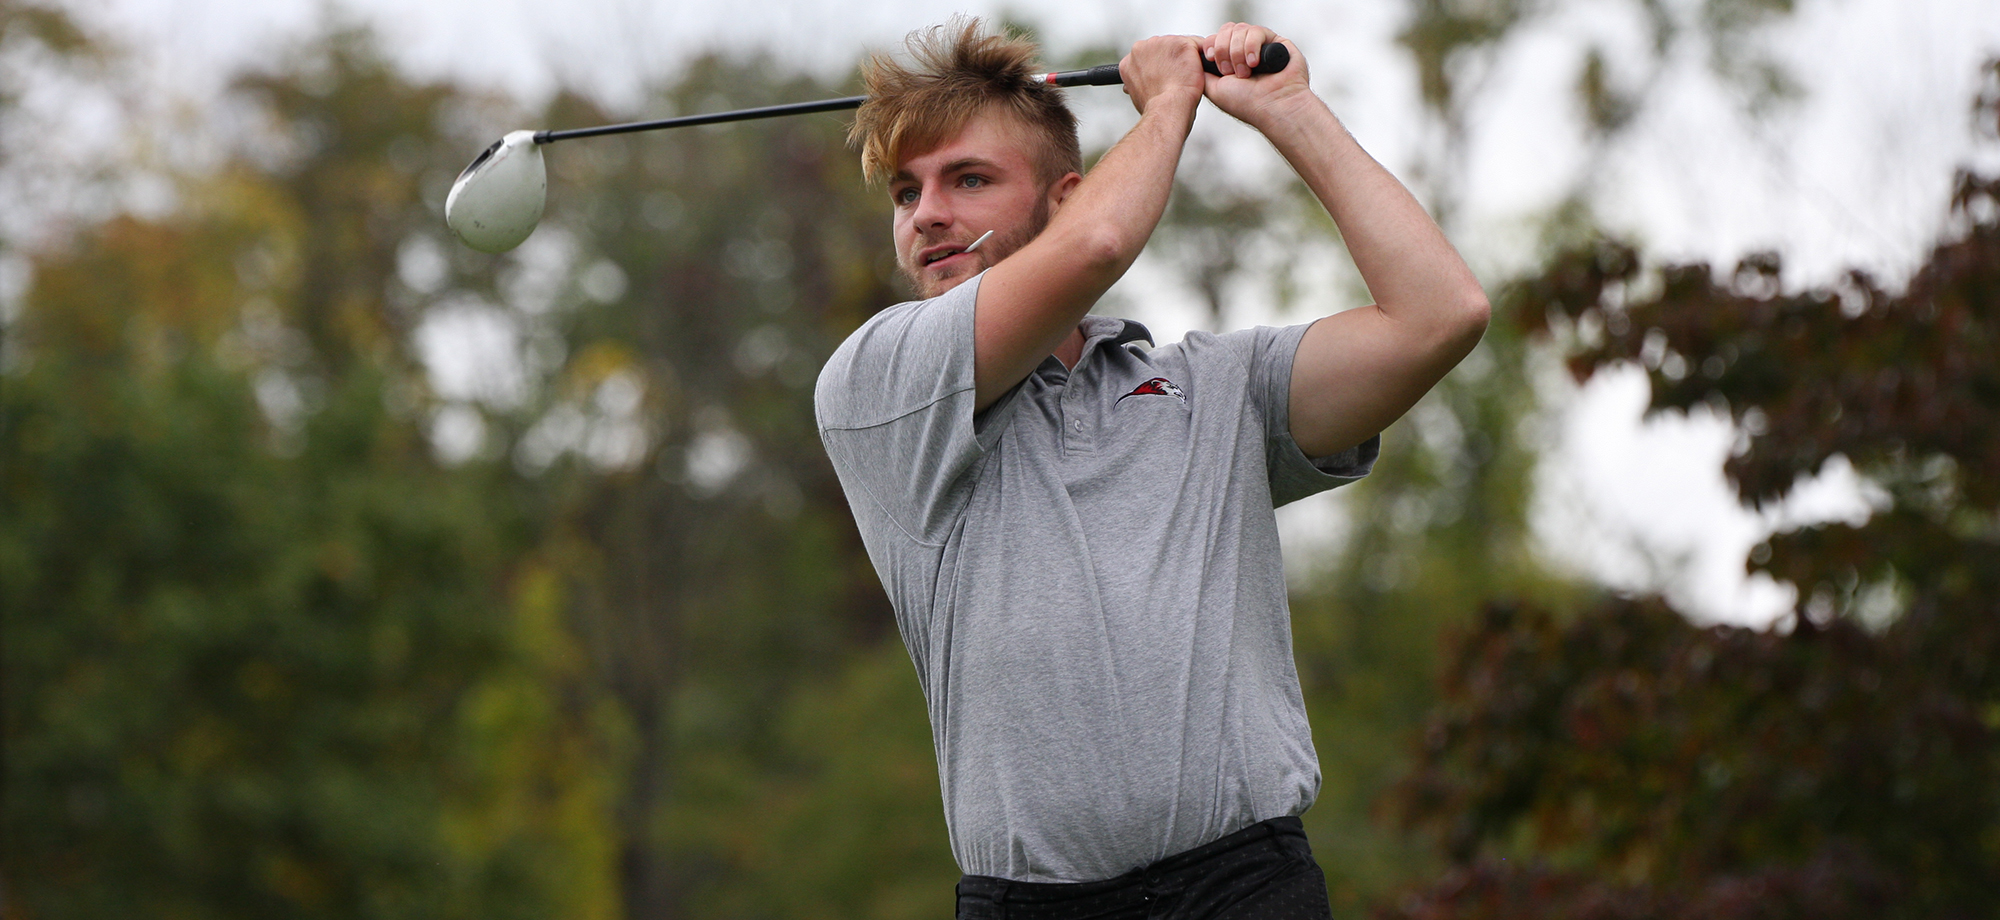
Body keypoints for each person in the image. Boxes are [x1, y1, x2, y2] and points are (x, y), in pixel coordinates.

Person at [815, 16, 1489, 920]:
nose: (926, 213)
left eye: (968, 179)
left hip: (1245, 888)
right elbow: (1096, 246)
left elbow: (1441, 314)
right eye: (906, 192)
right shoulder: (878, 384)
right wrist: (1170, 104)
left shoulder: (1216, 386)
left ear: (1064, 197)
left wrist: (1288, 109)